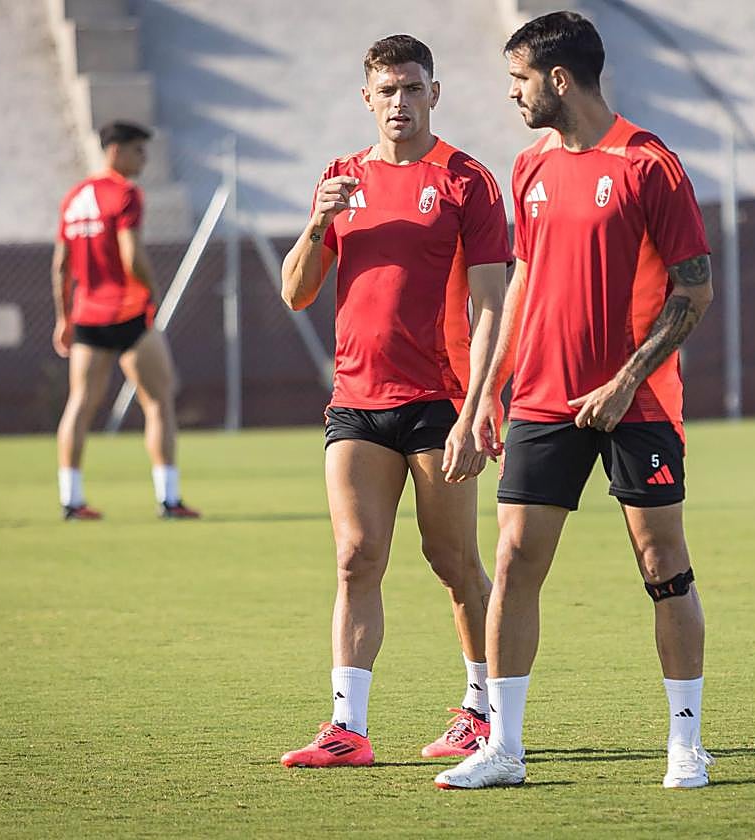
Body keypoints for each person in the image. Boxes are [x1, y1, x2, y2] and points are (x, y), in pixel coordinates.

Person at [435, 11, 715, 790]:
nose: (512, 94)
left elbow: (695, 289)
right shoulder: (527, 168)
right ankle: (505, 747)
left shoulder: (649, 164)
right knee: (516, 561)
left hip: (640, 405)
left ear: (560, 79)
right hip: (542, 404)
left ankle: (685, 743)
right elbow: (522, 279)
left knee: (663, 564)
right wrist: (492, 387)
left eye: (520, 79)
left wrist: (627, 378)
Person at [278, 34, 511, 768]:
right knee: (354, 558)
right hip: (356, 401)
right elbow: (295, 291)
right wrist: (320, 219)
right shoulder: (341, 178)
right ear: (367, 98)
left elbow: (493, 306)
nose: (400, 103)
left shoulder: (467, 181)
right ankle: (347, 727)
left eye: (412, 88)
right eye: (386, 90)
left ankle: (481, 708)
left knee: (451, 561)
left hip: (440, 402)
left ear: (433, 93)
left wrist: (480, 407)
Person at [52, 120, 198, 521]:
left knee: (79, 405)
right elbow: (131, 254)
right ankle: (168, 499)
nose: (144, 159)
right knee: (159, 401)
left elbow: (61, 264)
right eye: (138, 150)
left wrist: (63, 317)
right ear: (115, 150)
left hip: (86, 315)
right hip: (128, 311)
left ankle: (71, 499)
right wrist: (150, 290)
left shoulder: (74, 197)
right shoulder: (126, 193)